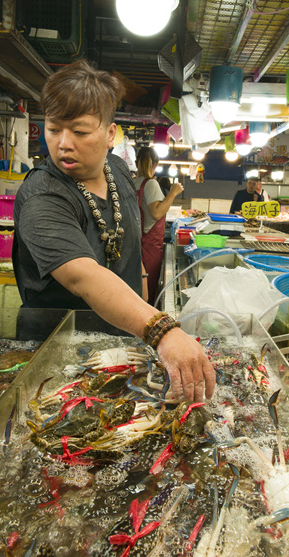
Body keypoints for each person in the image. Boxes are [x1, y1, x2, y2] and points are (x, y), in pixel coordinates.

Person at [12, 60, 215, 401]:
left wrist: (144, 307)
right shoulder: (43, 196)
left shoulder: (118, 170)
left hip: (121, 340)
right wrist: (162, 331)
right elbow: (83, 276)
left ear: (109, 134)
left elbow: (128, 245)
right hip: (58, 355)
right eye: (53, 129)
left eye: (79, 131)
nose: (63, 143)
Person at [134, 146, 184, 304]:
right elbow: (156, 213)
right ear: (156, 164)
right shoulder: (150, 184)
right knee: (146, 295)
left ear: (136, 163)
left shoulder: (132, 182)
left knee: (134, 292)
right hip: (148, 248)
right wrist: (173, 193)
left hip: (133, 245)